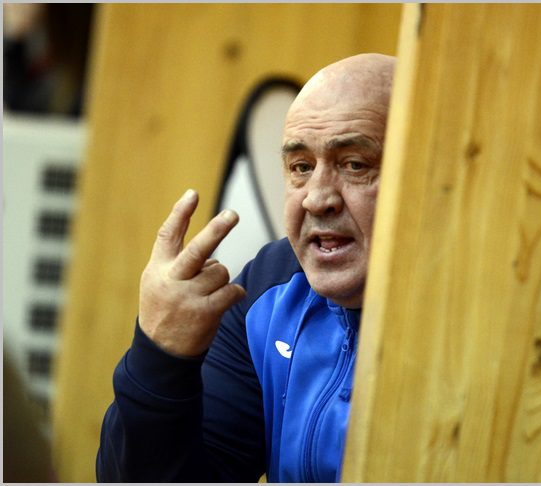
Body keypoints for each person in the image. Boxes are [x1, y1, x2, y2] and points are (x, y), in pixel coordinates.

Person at [97, 53, 395, 482]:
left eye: (354, 164)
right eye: (301, 168)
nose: (317, 198)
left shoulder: (473, 316)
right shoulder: (268, 290)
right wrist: (160, 357)